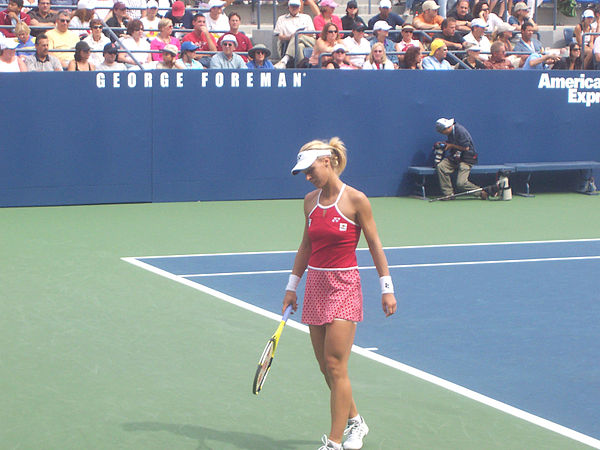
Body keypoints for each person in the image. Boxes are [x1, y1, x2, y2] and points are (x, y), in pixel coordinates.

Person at [283, 137, 397, 450]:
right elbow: (306, 246)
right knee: (326, 367)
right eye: (303, 172)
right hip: (316, 287)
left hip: (345, 285)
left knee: (336, 364)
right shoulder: (308, 202)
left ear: (328, 162)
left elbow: (374, 244)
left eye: (310, 169)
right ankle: (356, 423)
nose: (307, 176)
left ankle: (334, 442)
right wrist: (291, 287)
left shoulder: (357, 200)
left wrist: (386, 288)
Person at [434, 118, 488, 200]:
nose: (442, 133)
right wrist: (445, 144)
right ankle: (448, 194)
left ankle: (481, 192)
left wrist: (451, 146)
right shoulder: (451, 132)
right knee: (441, 167)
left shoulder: (460, 131)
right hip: (455, 157)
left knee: (461, 183)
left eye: (442, 132)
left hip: (467, 159)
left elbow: (466, 148)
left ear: (446, 128)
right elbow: (453, 143)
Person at [273, 0, 315, 68]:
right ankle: (301, 67)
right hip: (291, 42)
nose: (294, 8)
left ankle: (285, 60)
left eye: (296, 6)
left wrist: (299, 35)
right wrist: (290, 37)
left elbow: (311, 34)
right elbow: (280, 36)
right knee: (299, 46)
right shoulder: (281, 19)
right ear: (289, 7)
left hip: (308, 40)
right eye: (292, 6)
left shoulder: (306, 17)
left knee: (297, 36)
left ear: (299, 8)